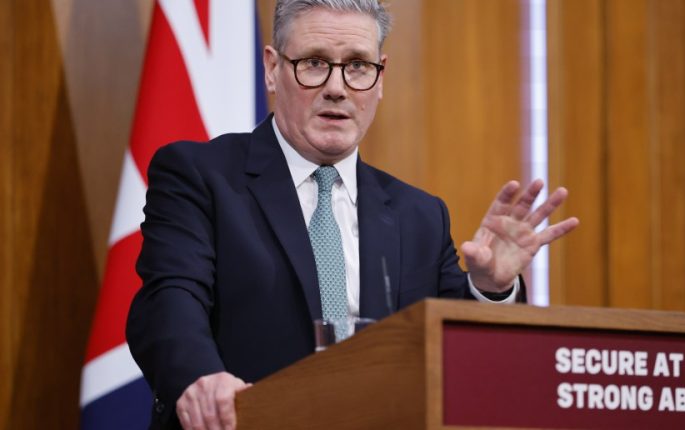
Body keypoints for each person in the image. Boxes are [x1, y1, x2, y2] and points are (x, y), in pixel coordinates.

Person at [126, 0, 579, 428]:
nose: (337, 88)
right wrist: (199, 379)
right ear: (271, 68)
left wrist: (490, 289)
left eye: (358, 66)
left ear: (380, 78)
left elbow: (461, 357)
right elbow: (170, 298)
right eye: (315, 63)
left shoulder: (419, 215)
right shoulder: (201, 176)